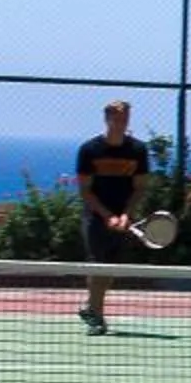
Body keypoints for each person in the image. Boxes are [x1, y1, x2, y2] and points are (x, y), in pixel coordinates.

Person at [73, 98, 151, 334]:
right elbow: (85, 191)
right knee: (99, 265)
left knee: (110, 270)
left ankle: (90, 307)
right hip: (95, 215)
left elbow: (140, 188)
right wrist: (107, 216)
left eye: (125, 118)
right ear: (107, 119)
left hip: (123, 217)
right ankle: (97, 317)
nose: (122, 122)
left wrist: (126, 215)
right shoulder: (89, 150)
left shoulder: (138, 151)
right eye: (117, 118)